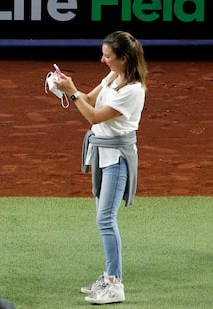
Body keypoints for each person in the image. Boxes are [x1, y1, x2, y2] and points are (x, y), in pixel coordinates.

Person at [54, 31, 148, 305]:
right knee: (103, 217)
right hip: (102, 152)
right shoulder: (113, 77)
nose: (103, 59)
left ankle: (115, 284)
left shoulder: (132, 90)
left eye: (108, 56)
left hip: (117, 157)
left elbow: (93, 115)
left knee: (105, 219)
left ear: (124, 58)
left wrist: (71, 93)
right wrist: (65, 89)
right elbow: (89, 99)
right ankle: (108, 275)